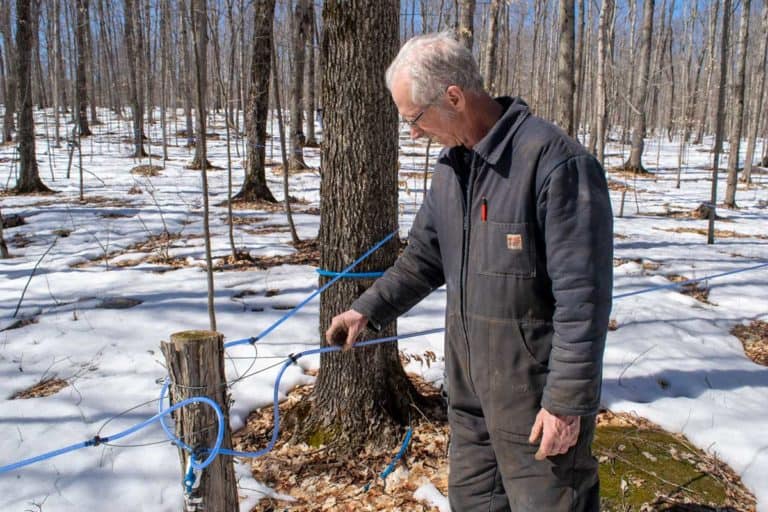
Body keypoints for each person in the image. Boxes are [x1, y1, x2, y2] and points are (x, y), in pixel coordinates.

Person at [326, 32, 613, 511]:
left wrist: (565, 401)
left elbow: (583, 300)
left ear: (454, 97)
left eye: (415, 118)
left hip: (535, 403)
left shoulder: (553, 163)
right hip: (470, 400)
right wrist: (367, 310)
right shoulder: (452, 170)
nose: (414, 133)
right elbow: (423, 258)